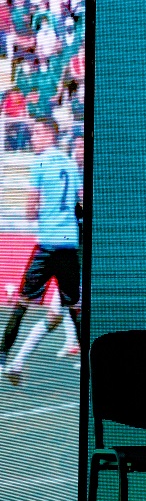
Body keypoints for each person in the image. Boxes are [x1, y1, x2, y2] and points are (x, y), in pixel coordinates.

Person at [0, 117, 82, 385]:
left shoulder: (40, 163)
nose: (33, 139)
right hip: (69, 245)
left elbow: (31, 207)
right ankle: (89, 361)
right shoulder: (70, 164)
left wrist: (37, 212)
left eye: (36, 133)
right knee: (74, 307)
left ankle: (2, 357)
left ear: (49, 134)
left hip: (47, 245)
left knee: (22, 303)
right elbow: (79, 201)